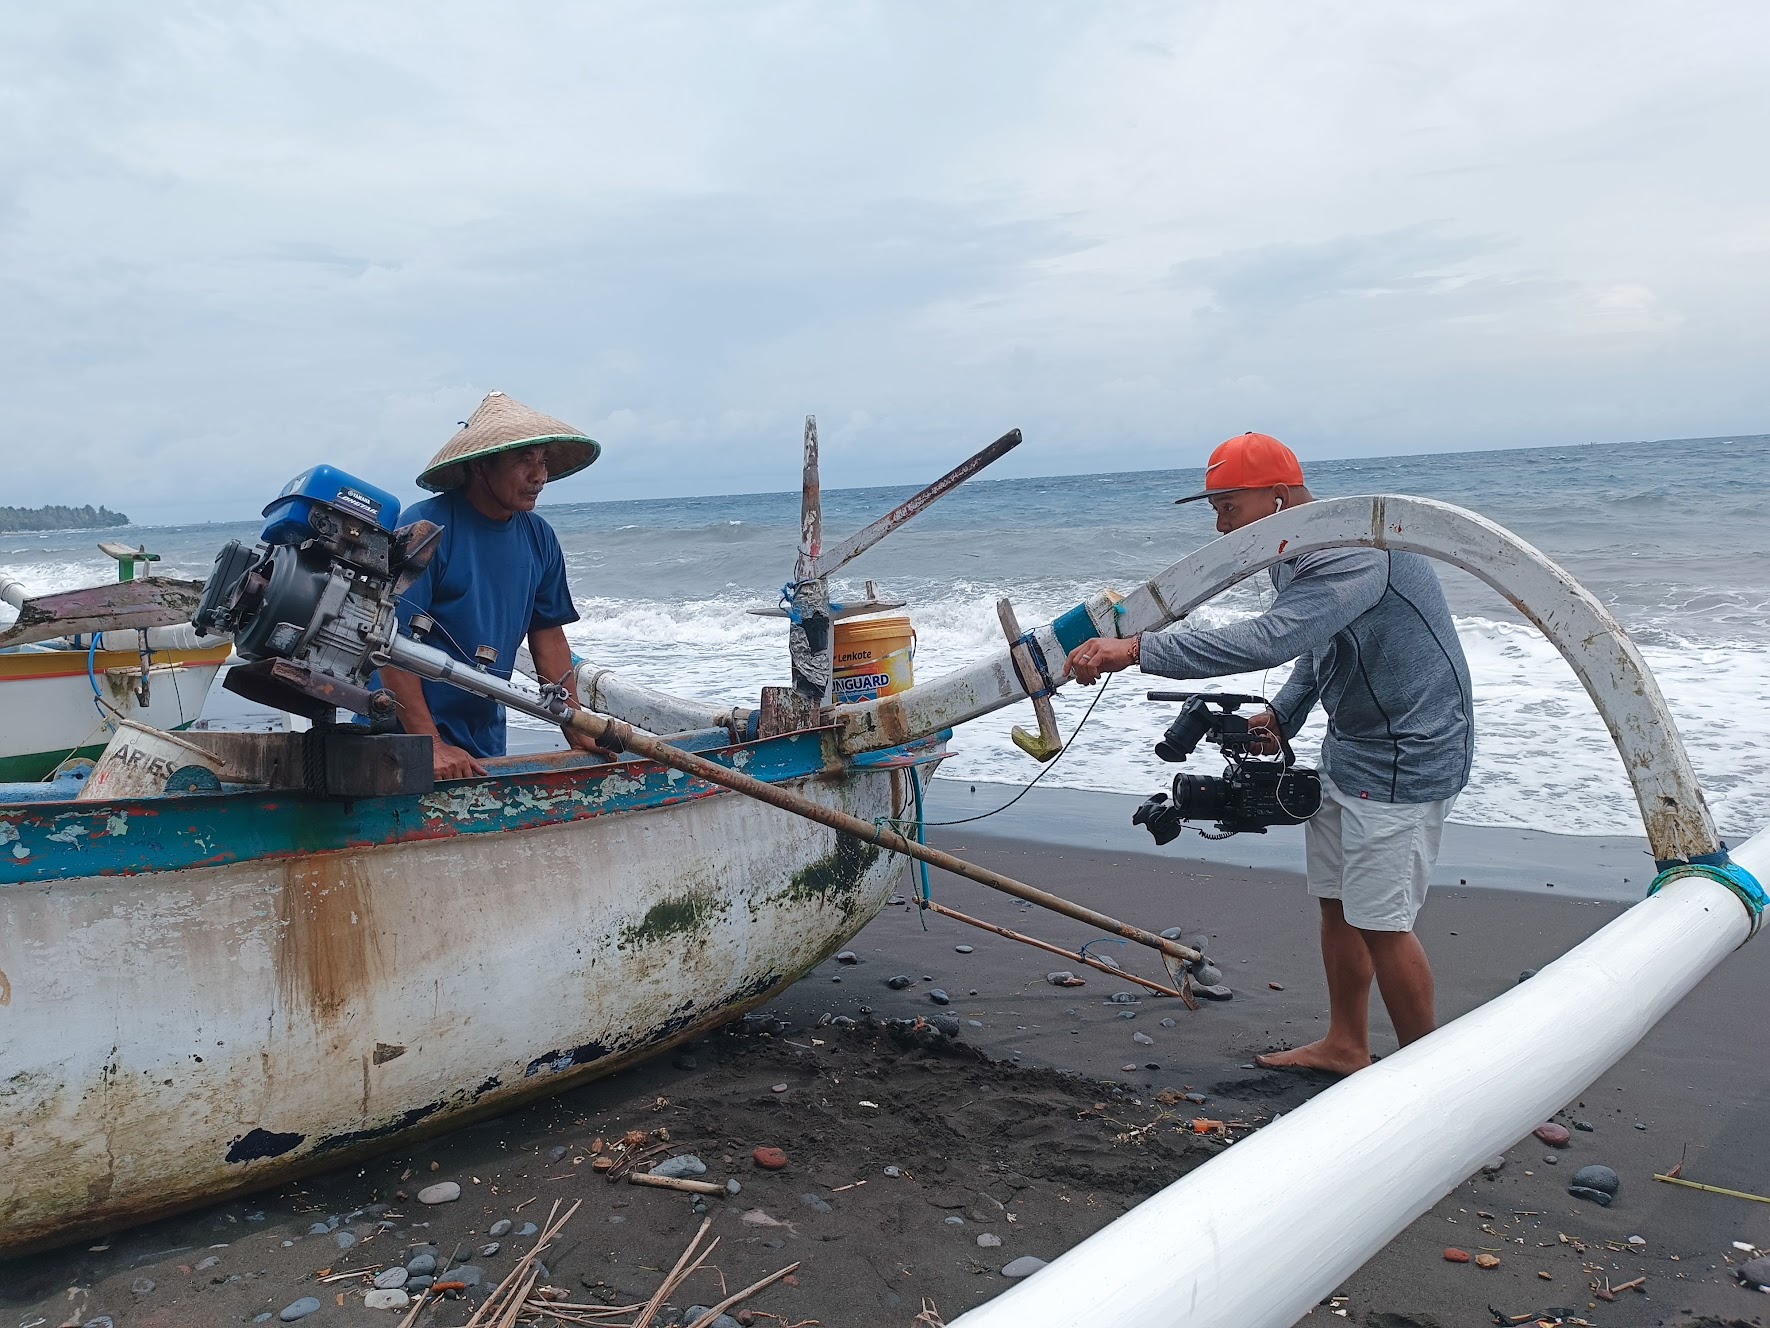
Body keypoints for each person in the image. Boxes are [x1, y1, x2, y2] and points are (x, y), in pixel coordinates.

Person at [1065, 432, 1473, 1074]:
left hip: (1410, 753)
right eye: (1215, 509)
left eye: (1229, 507)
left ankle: (1430, 1082)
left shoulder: (1350, 553)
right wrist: (1285, 714)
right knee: (1339, 903)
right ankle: (1347, 1045)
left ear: (1279, 498)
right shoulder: (1297, 549)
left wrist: (1141, 650)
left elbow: (1271, 639)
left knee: (1383, 921)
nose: (1221, 525)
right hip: (1354, 744)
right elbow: (1320, 641)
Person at [382, 390, 611, 780]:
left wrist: (576, 725)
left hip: (484, 739)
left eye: (543, 461)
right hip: (401, 739)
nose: (539, 476)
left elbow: (548, 636)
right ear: (480, 466)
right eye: (524, 460)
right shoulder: (427, 528)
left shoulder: (539, 537)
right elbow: (389, 641)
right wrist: (430, 744)